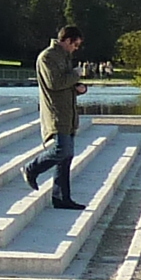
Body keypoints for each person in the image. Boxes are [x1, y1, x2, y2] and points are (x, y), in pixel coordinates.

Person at [22, 24, 90, 210]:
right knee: (62, 150)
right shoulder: (48, 57)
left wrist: (79, 88)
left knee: (66, 158)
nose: (76, 49)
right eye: (75, 45)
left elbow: (65, 84)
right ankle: (32, 168)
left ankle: (61, 198)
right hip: (56, 113)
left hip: (68, 113)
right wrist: (76, 75)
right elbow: (54, 83)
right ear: (67, 40)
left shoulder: (64, 57)